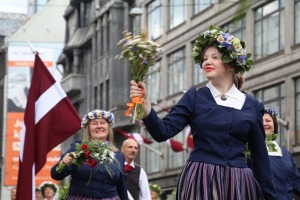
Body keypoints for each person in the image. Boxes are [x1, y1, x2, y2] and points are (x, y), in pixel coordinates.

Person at [129, 25, 277, 199]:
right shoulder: (194, 97)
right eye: (205, 58)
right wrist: (145, 104)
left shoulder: (252, 105)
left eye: (215, 57)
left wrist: (271, 196)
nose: (207, 62)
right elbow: (162, 132)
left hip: (239, 182)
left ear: (232, 65)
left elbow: (260, 156)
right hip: (201, 178)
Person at [51, 109, 128, 200]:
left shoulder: (118, 155)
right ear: (88, 129)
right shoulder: (78, 148)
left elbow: (122, 188)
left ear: (108, 127)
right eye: (94, 123)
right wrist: (63, 163)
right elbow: (55, 174)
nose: (99, 126)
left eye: (102, 122)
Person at [262, 106, 300, 199]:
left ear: (274, 125)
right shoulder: (248, 151)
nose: (264, 123)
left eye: (268, 120)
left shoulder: (286, 153)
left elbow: (296, 181)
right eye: (260, 121)